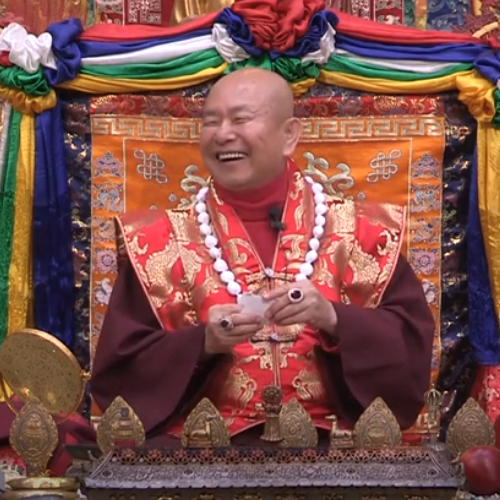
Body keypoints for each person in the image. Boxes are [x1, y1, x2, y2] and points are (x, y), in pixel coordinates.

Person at [91, 68, 435, 444]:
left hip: (336, 443)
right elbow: (117, 378)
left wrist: (334, 319)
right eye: (211, 122)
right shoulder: (157, 241)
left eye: (241, 119)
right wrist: (202, 343)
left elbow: (410, 352)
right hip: (202, 447)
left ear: (289, 136)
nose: (223, 134)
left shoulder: (365, 233)